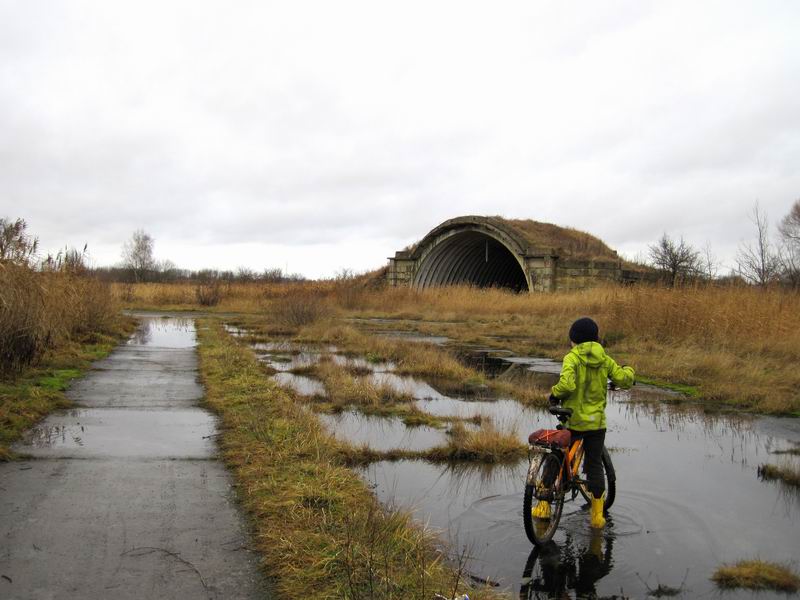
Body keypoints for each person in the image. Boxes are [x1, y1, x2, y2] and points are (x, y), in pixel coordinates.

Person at [532, 317, 634, 529]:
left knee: (557, 455)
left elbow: (567, 384)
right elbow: (622, 378)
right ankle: (597, 517)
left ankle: (543, 505)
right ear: (596, 338)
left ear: (574, 339)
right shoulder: (604, 359)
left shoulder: (573, 358)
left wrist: (554, 393)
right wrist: (630, 372)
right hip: (596, 424)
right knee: (595, 466)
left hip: (574, 421)